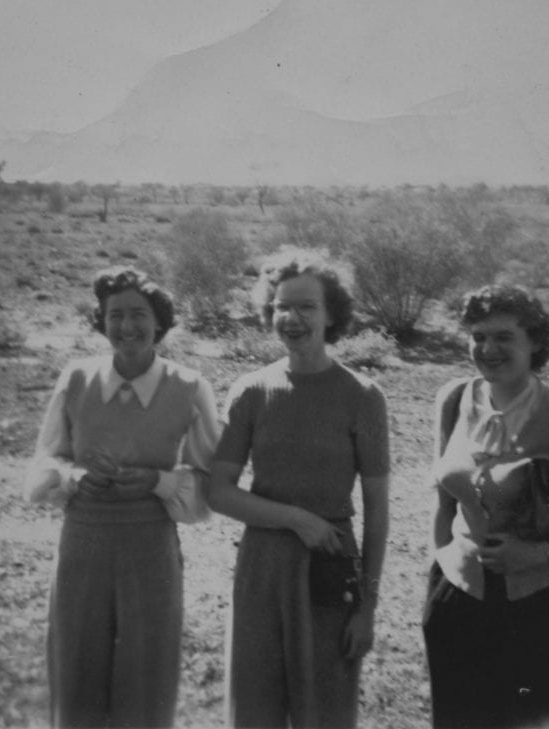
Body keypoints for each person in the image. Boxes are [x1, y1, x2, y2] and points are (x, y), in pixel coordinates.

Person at [423, 284, 549, 729]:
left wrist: (538, 553)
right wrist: (439, 568)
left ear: (536, 342)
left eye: (503, 337)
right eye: (478, 336)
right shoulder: (455, 399)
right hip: (460, 599)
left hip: (541, 608)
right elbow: (443, 499)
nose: (487, 349)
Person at [23, 265, 221, 729]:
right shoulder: (76, 378)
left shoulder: (190, 387)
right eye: (115, 316)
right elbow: (42, 463)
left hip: (150, 544)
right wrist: (71, 479)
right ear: (101, 321)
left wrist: (160, 483)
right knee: (75, 668)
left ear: (160, 322)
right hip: (83, 541)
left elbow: (211, 481)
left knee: (148, 671)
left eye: (138, 315)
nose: (127, 327)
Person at [207, 255, 390, 729]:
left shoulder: (363, 396)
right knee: (254, 711)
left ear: (333, 314)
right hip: (262, 568)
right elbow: (218, 491)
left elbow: (378, 511)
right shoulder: (251, 390)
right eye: (281, 307)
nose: (292, 318)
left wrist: (367, 609)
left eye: (307, 306)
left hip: (331, 569)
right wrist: (296, 519)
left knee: (325, 712)